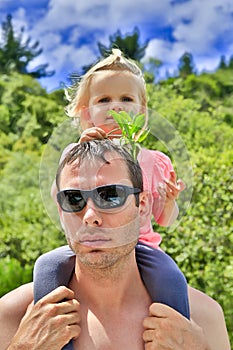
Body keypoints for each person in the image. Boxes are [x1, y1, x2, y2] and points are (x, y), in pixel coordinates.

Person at [0, 140, 230, 350]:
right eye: (73, 198)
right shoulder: (13, 315)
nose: (90, 215)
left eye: (110, 195)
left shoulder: (201, 317)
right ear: (61, 212)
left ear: (142, 207)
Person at [35, 48, 190, 319]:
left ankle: (174, 330)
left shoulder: (155, 161)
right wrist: (78, 158)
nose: (115, 106)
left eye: (126, 98)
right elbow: (59, 197)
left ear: (141, 112)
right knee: (47, 266)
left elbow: (165, 220)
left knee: (172, 277)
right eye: (104, 99)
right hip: (90, 241)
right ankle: (54, 330)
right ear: (87, 114)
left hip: (141, 246)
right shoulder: (74, 151)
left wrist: (169, 202)